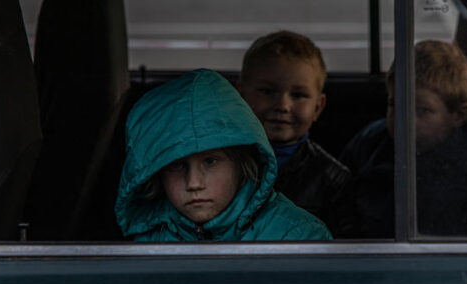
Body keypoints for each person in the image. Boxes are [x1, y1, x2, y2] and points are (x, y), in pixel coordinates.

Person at [115, 69, 332, 242]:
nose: (194, 183)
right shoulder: (151, 241)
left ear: (242, 164)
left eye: (210, 161)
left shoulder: (298, 238)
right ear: (156, 172)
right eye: (177, 165)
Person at [339, 40, 467, 238]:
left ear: (458, 116)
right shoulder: (371, 140)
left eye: (422, 110)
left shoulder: (461, 169)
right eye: (395, 105)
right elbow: (338, 192)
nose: (404, 119)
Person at [237, 30, 357, 238]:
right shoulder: (224, 163)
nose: (283, 105)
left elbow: (344, 250)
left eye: (298, 95)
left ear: (318, 107)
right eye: (267, 91)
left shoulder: (332, 179)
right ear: (240, 97)